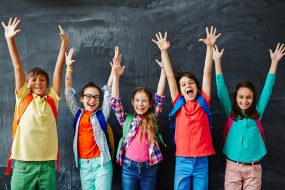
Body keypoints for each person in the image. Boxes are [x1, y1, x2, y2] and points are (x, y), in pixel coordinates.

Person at [2, 17, 69, 189]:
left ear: (47, 84)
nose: (38, 83)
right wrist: (10, 39)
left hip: (47, 166)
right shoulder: (24, 97)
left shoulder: (52, 99)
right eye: (33, 80)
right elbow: (17, 67)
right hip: (24, 165)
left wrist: (64, 46)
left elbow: (58, 70)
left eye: (42, 80)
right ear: (27, 83)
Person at [152, 26, 221, 190]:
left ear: (197, 87)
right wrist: (164, 51)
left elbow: (207, 72)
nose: (187, 86)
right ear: (180, 90)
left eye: (191, 83)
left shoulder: (203, 101)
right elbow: (170, 76)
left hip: (202, 159)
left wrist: (210, 47)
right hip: (182, 159)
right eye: (183, 84)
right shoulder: (178, 103)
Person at [213, 43, 285, 190]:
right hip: (233, 167)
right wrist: (217, 61)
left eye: (248, 97)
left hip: (254, 169)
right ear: (236, 98)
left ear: (253, 99)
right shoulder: (231, 113)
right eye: (241, 97)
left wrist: (274, 62)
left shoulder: (257, 113)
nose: (244, 101)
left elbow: (267, 89)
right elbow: (221, 90)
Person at [64, 46, 120, 190]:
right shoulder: (78, 114)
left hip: (102, 163)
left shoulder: (102, 114)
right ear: (81, 99)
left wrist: (114, 72)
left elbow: (107, 91)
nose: (92, 100)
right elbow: (69, 93)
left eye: (96, 97)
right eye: (88, 96)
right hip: (84, 165)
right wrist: (69, 68)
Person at [111, 50, 166, 190]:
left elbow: (159, 97)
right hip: (129, 168)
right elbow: (115, 102)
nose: (140, 104)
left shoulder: (153, 117)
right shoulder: (127, 119)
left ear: (150, 103)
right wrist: (116, 77)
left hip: (149, 168)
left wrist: (164, 72)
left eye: (144, 101)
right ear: (132, 101)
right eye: (137, 100)